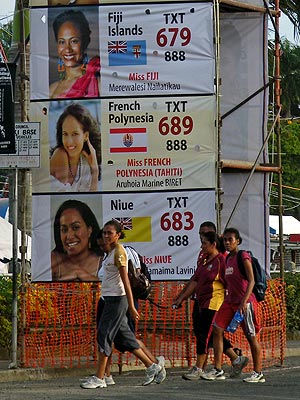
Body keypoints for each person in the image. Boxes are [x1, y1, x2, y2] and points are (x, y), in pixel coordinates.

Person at [80, 220, 166, 389]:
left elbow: (126, 280)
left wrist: (132, 307)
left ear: (118, 235)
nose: (105, 236)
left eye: (109, 233)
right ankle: (152, 366)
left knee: (104, 335)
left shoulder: (119, 251)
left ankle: (100, 378)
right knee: (124, 337)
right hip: (109, 299)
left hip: (117, 300)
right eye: (104, 232)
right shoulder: (110, 253)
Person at [173, 230, 248, 380]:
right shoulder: (205, 260)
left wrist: (238, 301)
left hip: (215, 303)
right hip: (202, 302)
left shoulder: (221, 260)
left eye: (204, 243)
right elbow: (195, 281)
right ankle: (236, 359)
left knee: (204, 335)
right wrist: (181, 297)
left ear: (213, 244)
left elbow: (230, 282)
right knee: (213, 335)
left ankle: (199, 368)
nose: (201, 247)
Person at [201, 227, 265, 383]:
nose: (228, 242)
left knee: (251, 337)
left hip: (245, 303)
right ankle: (218, 369)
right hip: (230, 302)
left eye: (231, 240)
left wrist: (243, 301)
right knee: (216, 329)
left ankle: (258, 373)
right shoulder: (227, 259)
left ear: (238, 241)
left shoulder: (243, 257)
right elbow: (226, 281)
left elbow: (251, 280)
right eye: (225, 240)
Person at [50, 103, 101, 192]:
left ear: (86, 136)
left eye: (75, 134)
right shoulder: (60, 154)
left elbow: (91, 195)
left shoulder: (84, 161)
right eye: (65, 134)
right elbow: (64, 196)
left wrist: (95, 171)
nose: (69, 141)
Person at [49, 9, 100, 98]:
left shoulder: (97, 81)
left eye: (74, 41)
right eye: (62, 42)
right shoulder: (52, 90)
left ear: (86, 41)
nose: (67, 49)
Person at [51, 199, 101, 281]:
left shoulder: (105, 262)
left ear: (89, 230)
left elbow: (114, 289)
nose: (69, 236)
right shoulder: (52, 261)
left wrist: (81, 274)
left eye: (76, 227)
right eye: (64, 230)